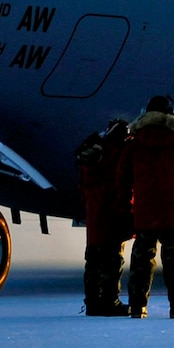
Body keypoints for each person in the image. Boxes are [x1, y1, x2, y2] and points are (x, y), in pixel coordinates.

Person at [118, 94, 174, 319]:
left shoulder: (134, 145)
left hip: (145, 213)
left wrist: (126, 208)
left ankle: (137, 307)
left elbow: (122, 179)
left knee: (141, 261)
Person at [74, 117, 134, 316]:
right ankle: (111, 301)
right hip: (114, 214)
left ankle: (92, 302)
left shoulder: (91, 155)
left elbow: (83, 187)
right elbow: (125, 185)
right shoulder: (121, 154)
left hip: (95, 214)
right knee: (113, 260)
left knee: (93, 260)